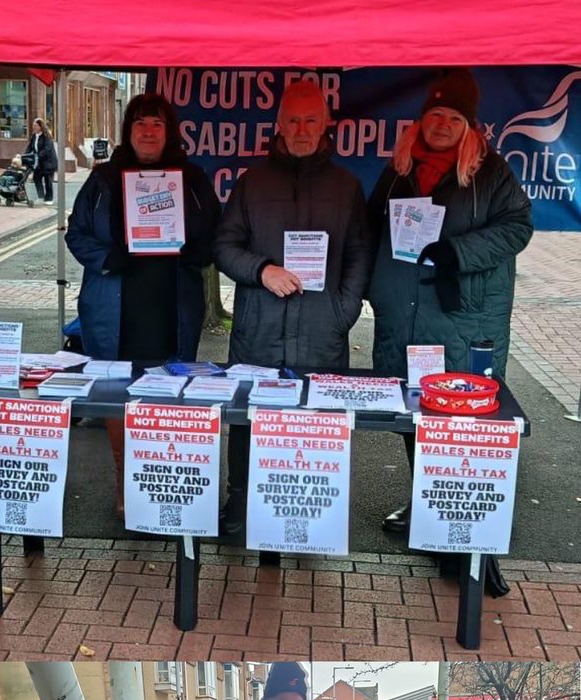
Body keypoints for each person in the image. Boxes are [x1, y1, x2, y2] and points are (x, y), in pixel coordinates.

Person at [367, 68, 533, 535]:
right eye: (435, 114)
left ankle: (456, 515)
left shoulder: (491, 172)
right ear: (421, 120)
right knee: (411, 407)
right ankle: (423, 499)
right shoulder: (398, 170)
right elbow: (370, 228)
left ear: (469, 126)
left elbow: (518, 228)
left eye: (453, 118)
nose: (442, 124)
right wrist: (370, 288)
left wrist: (456, 253)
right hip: (404, 314)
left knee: (458, 417)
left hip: (461, 314)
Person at [214, 80, 371, 536]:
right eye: (293, 121)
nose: (302, 130)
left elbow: (360, 251)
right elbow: (224, 246)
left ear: (325, 125)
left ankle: (312, 511)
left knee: (316, 422)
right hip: (259, 328)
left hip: (323, 328)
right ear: (279, 125)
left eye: (311, 121)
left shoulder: (346, 186)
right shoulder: (252, 183)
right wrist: (262, 270)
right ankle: (240, 502)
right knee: (248, 416)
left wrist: (346, 309)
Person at [65, 92, 219, 517]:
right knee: (118, 395)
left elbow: (216, 234)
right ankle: (124, 483)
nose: (148, 132)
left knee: (169, 394)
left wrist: (194, 251)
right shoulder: (102, 180)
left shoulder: (192, 178)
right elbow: (76, 234)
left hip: (171, 308)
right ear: (127, 131)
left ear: (169, 131)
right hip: (114, 309)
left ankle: (160, 479)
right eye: (139, 124)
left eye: (156, 124)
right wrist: (108, 258)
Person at [25, 117, 58, 202]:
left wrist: (38, 156)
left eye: (36, 125)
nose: (34, 127)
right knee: (36, 178)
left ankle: (49, 199)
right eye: (33, 125)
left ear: (41, 126)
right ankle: (41, 197)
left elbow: (47, 149)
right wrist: (25, 155)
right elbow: (29, 147)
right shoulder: (34, 136)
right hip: (39, 163)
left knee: (48, 181)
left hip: (48, 163)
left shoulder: (47, 136)